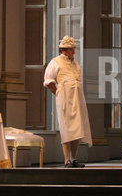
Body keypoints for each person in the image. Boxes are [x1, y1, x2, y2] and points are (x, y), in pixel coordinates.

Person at [44, 36, 92, 168]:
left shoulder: (75, 64)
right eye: (71, 50)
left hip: (77, 98)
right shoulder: (55, 62)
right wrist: (58, 92)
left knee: (77, 128)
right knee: (66, 128)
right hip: (65, 98)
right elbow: (48, 81)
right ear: (64, 50)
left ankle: (74, 158)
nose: (73, 52)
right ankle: (67, 160)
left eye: (74, 49)